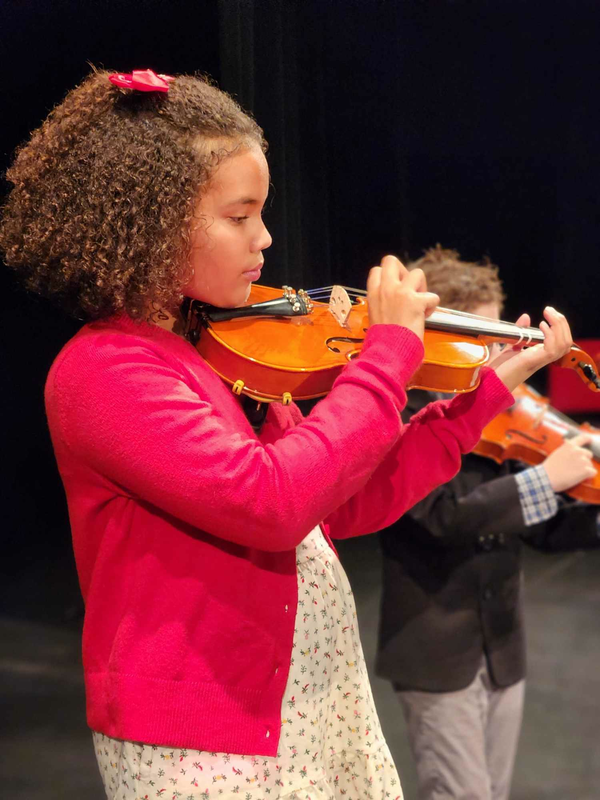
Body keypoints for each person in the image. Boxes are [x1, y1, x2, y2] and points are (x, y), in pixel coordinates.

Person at [0, 70, 579, 800]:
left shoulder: (230, 355)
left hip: (316, 705)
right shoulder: (104, 373)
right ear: (153, 224)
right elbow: (271, 503)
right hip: (205, 742)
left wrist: (483, 391)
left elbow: (343, 502)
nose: (266, 239)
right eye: (240, 217)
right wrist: (388, 356)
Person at [375, 245, 599, 800]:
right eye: (488, 335)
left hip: (502, 648)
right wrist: (545, 480)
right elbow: (440, 514)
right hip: (436, 652)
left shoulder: (507, 415)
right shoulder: (402, 410)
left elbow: (541, 528)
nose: (505, 352)